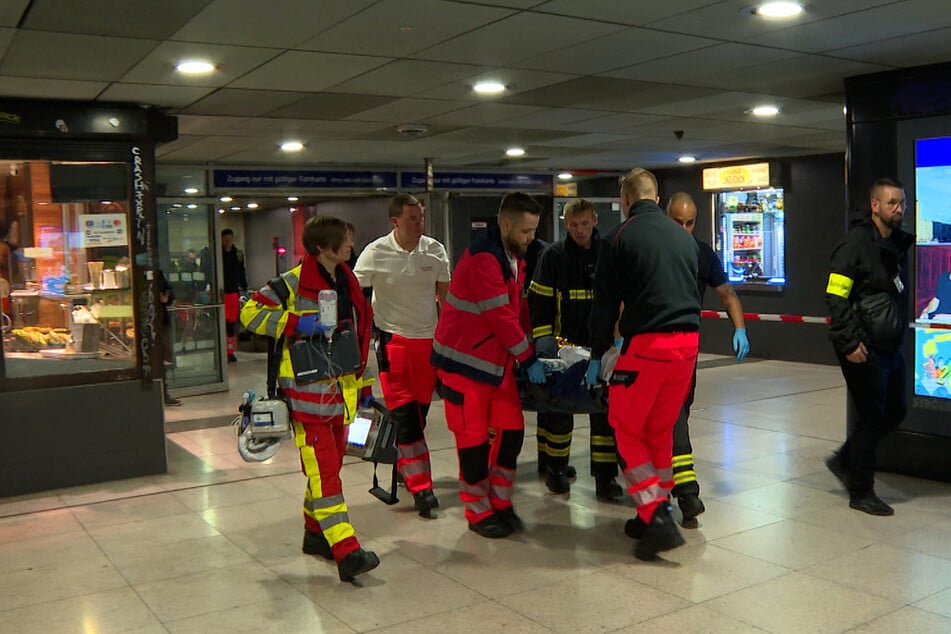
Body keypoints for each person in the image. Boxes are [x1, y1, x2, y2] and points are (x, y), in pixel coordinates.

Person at [240, 215, 380, 582]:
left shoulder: (348, 283)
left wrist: (364, 385)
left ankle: (315, 534)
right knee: (327, 476)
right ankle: (346, 551)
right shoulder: (294, 282)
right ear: (322, 246)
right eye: (345, 239)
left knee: (326, 471)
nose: (351, 245)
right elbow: (249, 313)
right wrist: (294, 323)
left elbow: (359, 337)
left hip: (341, 396)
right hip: (308, 400)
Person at [588, 168, 700, 561]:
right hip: (687, 349)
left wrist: (597, 353)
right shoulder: (684, 239)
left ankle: (655, 516)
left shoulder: (620, 237)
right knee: (660, 431)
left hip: (648, 347)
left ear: (624, 200)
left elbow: (603, 305)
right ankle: (655, 508)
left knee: (626, 428)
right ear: (657, 197)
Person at [432, 192, 548, 539]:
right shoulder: (484, 259)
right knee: (473, 443)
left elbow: (515, 310)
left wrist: (536, 343)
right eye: (526, 231)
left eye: (534, 230)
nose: (532, 238)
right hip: (463, 365)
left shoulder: (512, 257)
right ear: (507, 223)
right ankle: (477, 509)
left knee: (511, 431)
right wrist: (527, 356)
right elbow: (499, 315)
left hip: (495, 365)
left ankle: (500, 501)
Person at [353, 194, 451, 518]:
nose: (420, 223)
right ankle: (423, 488)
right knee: (406, 417)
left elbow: (446, 302)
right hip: (393, 342)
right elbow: (355, 292)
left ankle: (407, 469)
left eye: (421, 217)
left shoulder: (435, 251)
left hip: (428, 344)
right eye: (413, 218)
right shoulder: (375, 252)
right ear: (395, 221)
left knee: (419, 416)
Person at [825, 178, 912, 517]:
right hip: (862, 347)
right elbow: (835, 295)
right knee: (872, 415)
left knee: (894, 411)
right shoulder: (856, 244)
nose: (899, 209)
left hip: (890, 346)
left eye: (902, 203)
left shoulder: (891, 245)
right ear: (875, 205)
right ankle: (861, 489)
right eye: (892, 203)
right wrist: (849, 341)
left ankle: (846, 460)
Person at [528, 198, 623, 500]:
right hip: (563, 350)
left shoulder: (609, 254)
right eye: (573, 225)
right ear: (564, 224)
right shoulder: (552, 256)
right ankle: (556, 471)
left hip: (601, 350)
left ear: (595, 220)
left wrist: (616, 346)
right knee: (559, 414)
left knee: (605, 417)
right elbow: (539, 307)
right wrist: (544, 350)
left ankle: (605, 479)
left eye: (585, 223)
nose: (580, 230)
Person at [665, 192, 750, 526]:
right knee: (670, 417)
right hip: (652, 346)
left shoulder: (702, 254)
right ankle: (685, 493)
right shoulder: (653, 249)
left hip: (685, 348)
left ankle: (678, 490)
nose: (684, 230)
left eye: (690, 223)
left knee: (678, 413)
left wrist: (739, 328)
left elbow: (726, 293)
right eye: (677, 222)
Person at [221, 228, 248, 363]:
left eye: (229, 239)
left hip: (232, 293)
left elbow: (241, 272)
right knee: (224, 323)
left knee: (232, 323)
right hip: (222, 292)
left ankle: (230, 351)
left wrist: (244, 287)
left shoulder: (238, 254)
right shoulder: (218, 255)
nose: (227, 242)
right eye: (225, 240)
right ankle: (224, 350)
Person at [156, 267, 181, 407]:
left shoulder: (156, 274)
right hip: (153, 322)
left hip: (159, 322)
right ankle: (162, 393)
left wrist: (165, 297)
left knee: (162, 358)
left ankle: (163, 393)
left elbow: (169, 294)